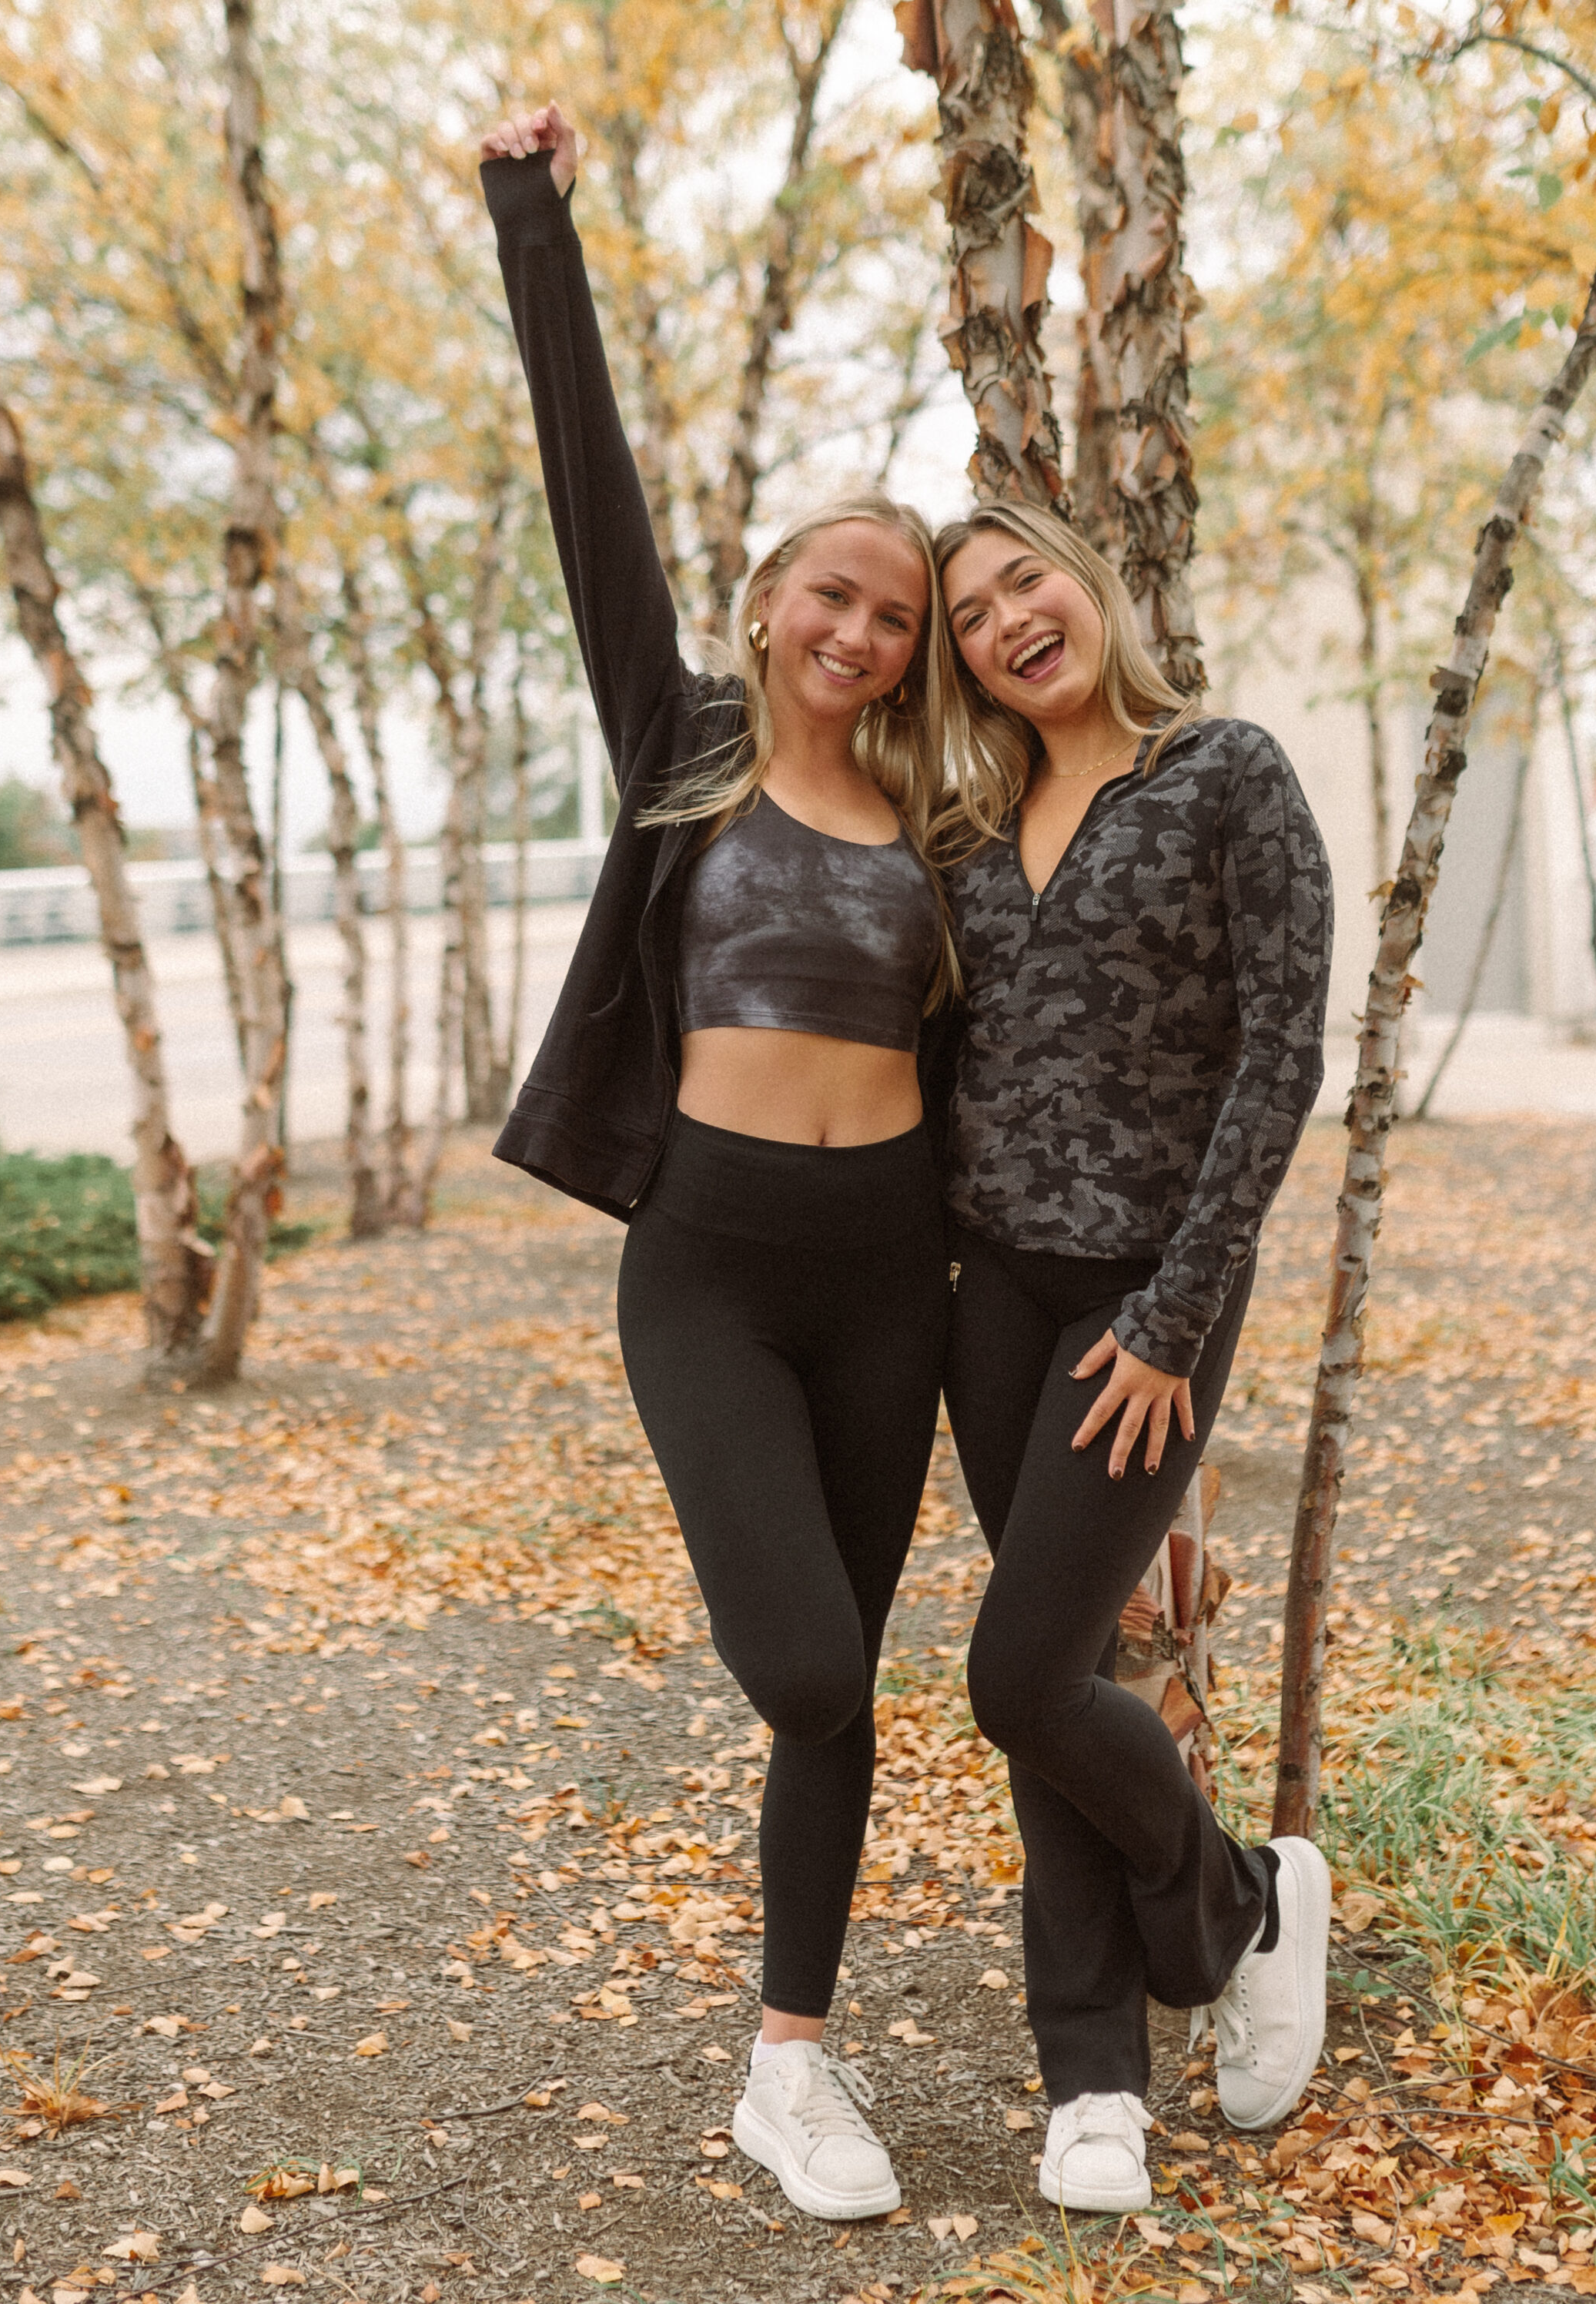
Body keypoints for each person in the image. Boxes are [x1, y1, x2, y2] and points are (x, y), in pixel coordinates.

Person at [478, 102, 956, 2225]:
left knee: (838, 1709)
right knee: (811, 1669)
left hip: (896, 1271)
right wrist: (534, 220)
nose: (859, 638)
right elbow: (591, 495)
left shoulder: (943, 827)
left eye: (895, 624)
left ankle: (791, 2063)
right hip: (712, 1264)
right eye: (834, 599)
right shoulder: (679, 748)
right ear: (772, 602)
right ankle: (788, 2060)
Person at [931, 499, 1336, 2212]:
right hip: (985, 1292)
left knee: (1016, 1674)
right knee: (1060, 1663)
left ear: (1088, 585)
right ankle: (1089, 2080)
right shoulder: (960, 826)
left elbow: (1280, 1044)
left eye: (1026, 577)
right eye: (969, 613)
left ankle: (1237, 1903)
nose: (1008, 616)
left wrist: (1175, 1313)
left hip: (1139, 1300)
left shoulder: (1223, 769)